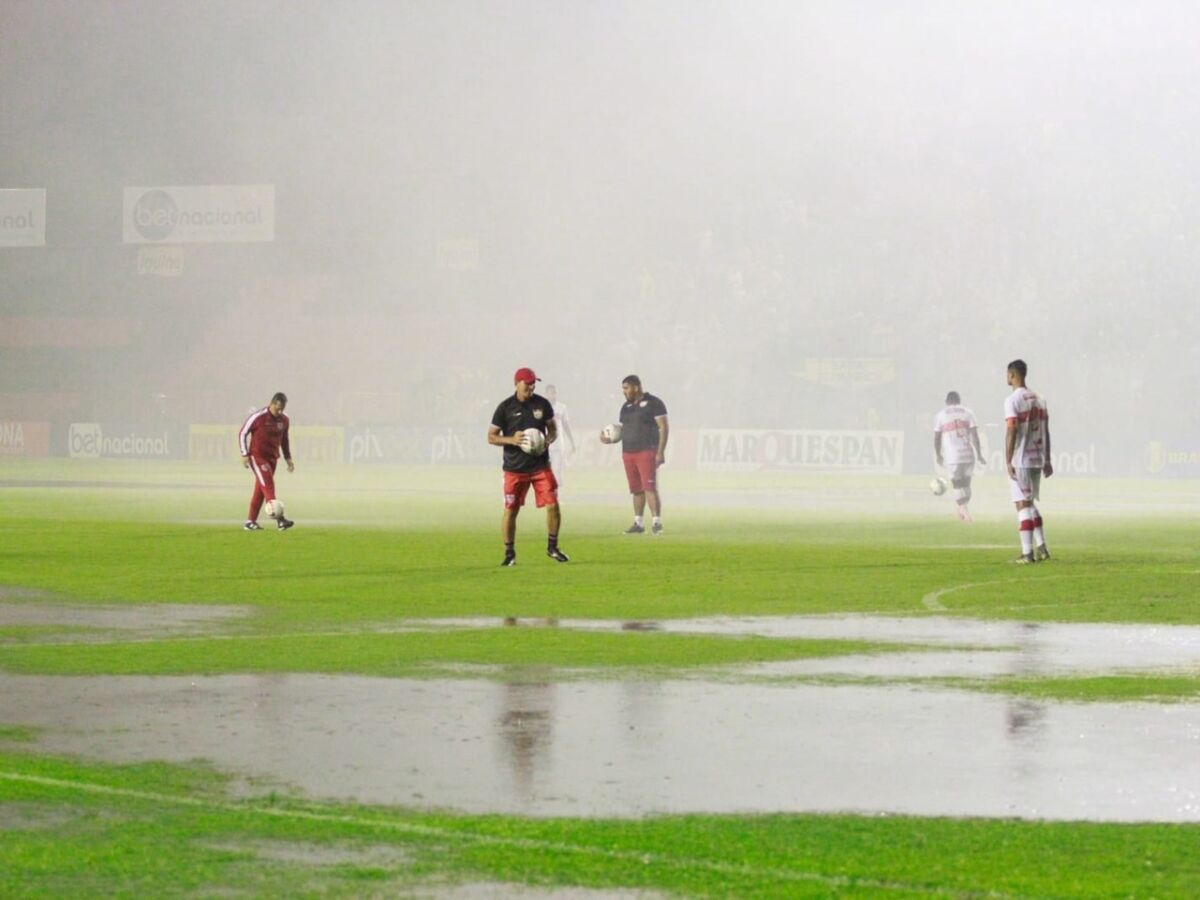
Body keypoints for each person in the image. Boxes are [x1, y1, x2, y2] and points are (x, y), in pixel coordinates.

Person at [488, 367, 569, 566]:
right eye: (527, 383)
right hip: (514, 469)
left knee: (553, 505)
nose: (531, 387)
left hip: (540, 467)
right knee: (511, 510)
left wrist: (548, 439)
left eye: (533, 383)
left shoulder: (542, 404)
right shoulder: (505, 407)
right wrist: (511, 440)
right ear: (517, 383)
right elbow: (491, 437)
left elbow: (552, 429)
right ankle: (509, 553)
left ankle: (552, 547)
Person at [600, 374, 668, 535]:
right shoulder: (626, 407)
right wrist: (609, 437)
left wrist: (660, 451)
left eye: (626, 388)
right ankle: (638, 523)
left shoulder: (654, 403)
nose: (624, 392)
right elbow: (624, 430)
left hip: (646, 450)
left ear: (636, 387)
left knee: (649, 487)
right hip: (628, 452)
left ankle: (657, 523)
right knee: (636, 489)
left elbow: (664, 428)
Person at [1004, 360, 1052, 564]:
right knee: (1030, 502)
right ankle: (1042, 548)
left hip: (1021, 458)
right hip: (1037, 457)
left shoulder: (1012, 400)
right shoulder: (1040, 399)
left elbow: (1012, 429)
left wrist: (1008, 460)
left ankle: (1027, 554)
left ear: (1012, 375)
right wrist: (1047, 458)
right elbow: (1046, 431)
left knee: (1022, 505)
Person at [238, 392, 294, 531]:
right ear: (271, 404)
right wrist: (245, 453)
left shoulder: (285, 420)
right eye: (277, 409)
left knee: (260, 491)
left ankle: (250, 522)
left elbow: (285, 440)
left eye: (282, 409)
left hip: (272, 458)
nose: (279, 412)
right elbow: (242, 433)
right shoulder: (258, 417)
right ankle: (280, 520)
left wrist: (288, 458)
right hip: (257, 457)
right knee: (268, 485)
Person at [933, 391, 985, 522]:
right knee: (966, 485)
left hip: (952, 455)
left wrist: (938, 454)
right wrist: (979, 454)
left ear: (947, 402)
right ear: (959, 400)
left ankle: (964, 510)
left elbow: (937, 437)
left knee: (957, 485)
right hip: (968, 454)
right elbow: (975, 435)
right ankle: (962, 507)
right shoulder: (968, 412)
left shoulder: (941, 414)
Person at [543, 383, 576, 487]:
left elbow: (566, 425)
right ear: (547, 394)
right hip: (546, 445)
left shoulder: (562, 407)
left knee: (558, 471)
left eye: (554, 392)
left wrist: (572, 441)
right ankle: (549, 496)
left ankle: (557, 496)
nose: (553, 394)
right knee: (547, 471)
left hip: (559, 444)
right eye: (551, 392)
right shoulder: (542, 408)